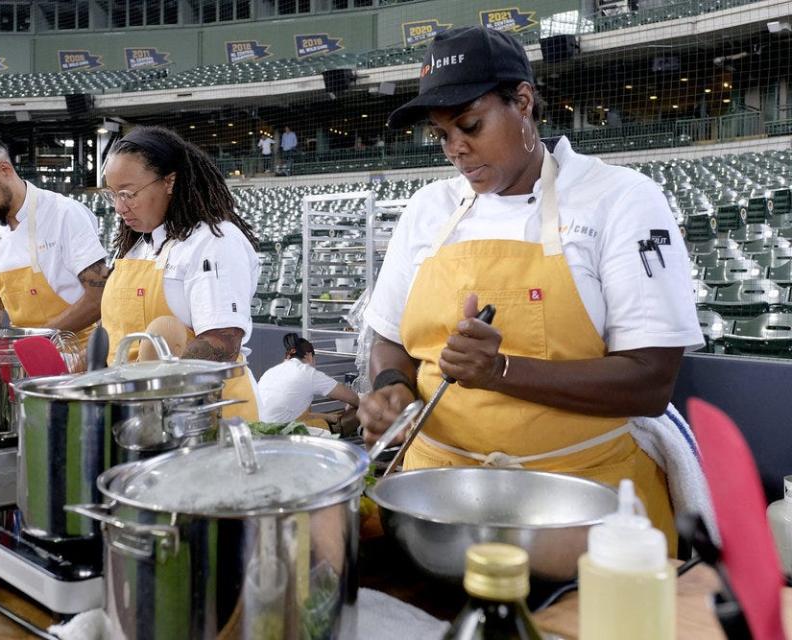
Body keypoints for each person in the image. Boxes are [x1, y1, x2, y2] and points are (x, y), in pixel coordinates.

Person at [358, 26, 703, 548]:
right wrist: (392, 387)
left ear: (523, 101)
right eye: (441, 134)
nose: (455, 148)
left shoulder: (620, 201)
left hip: (581, 503)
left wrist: (500, 371)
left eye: (469, 125)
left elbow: (650, 382)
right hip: (435, 498)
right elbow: (390, 339)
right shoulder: (428, 209)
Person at [100, 125, 262, 421]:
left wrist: (160, 394)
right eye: (113, 195)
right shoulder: (137, 247)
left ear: (169, 182)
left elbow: (222, 341)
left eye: (128, 194)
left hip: (203, 414)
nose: (118, 208)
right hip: (139, 412)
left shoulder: (213, 242)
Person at [0, 131, 108, 349]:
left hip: (77, 355)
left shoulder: (63, 214)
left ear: (5, 170)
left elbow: (99, 296)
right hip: (23, 355)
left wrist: (37, 342)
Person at [257, 333, 360, 427]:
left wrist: (329, 417)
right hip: (283, 435)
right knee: (358, 413)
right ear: (309, 355)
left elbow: (295, 415)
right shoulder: (308, 372)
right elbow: (355, 399)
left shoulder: (271, 372)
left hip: (259, 430)